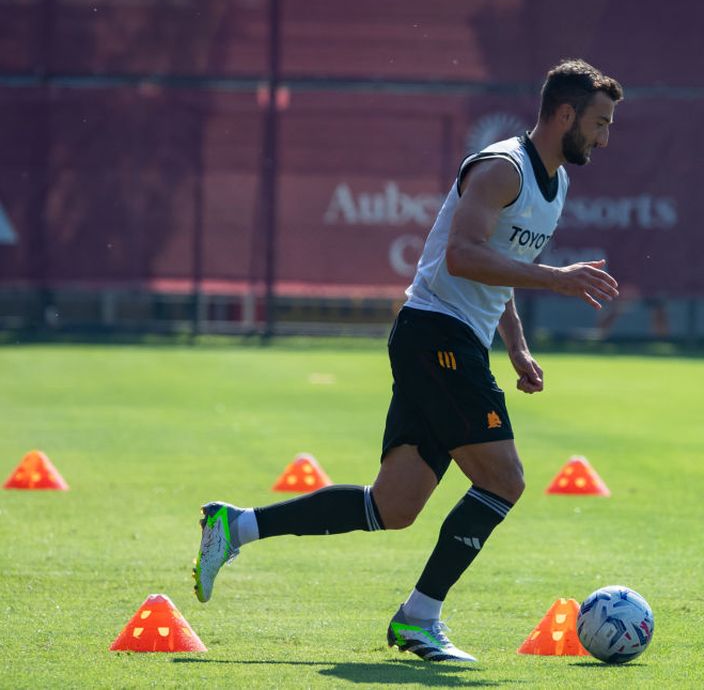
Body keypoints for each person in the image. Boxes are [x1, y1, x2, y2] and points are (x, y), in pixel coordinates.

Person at [193, 59, 624, 661]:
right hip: (434, 336)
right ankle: (420, 617)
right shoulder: (504, 169)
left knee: (391, 507)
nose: (604, 137)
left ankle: (233, 526)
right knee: (504, 480)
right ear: (565, 114)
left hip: (454, 341)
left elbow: (496, 275)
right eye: (599, 123)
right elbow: (461, 258)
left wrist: (518, 348)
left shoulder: (557, 184)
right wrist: (557, 279)